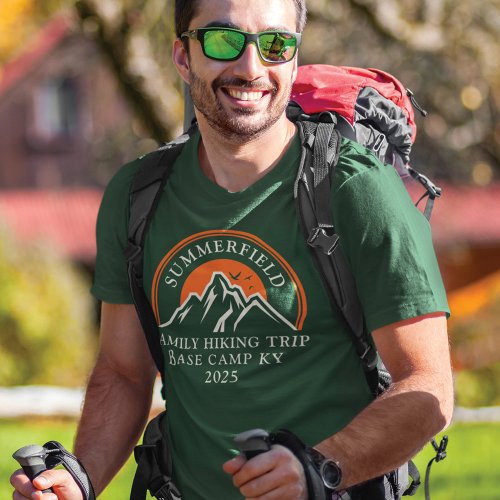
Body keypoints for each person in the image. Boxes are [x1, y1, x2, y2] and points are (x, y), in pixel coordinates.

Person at [11, 0, 454, 498]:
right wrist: (81, 477)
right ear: (183, 57)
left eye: (275, 44)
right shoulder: (137, 196)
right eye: (224, 41)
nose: (251, 67)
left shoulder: (356, 189)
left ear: (292, 56)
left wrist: (319, 468)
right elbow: (124, 371)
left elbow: (428, 385)